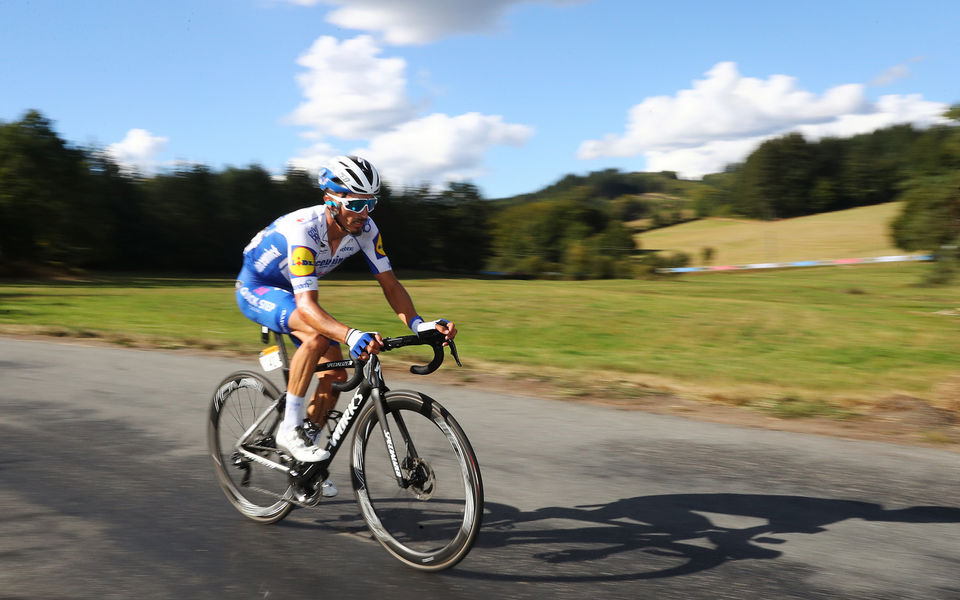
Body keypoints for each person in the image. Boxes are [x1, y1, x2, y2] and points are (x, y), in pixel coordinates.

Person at [235, 155, 457, 497]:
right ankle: (288, 430)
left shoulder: (365, 229)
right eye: (357, 203)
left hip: (294, 294)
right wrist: (351, 334)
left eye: (372, 203)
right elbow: (307, 306)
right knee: (315, 336)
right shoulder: (304, 230)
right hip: (258, 287)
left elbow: (391, 284)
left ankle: (305, 464)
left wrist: (419, 324)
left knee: (336, 377)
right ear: (331, 201)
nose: (365, 212)